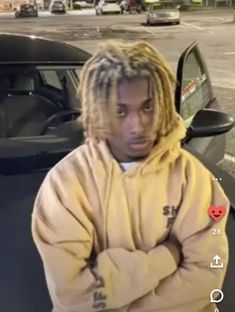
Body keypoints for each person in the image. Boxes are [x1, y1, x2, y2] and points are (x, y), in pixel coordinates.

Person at [32, 40, 229, 312]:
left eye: (148, 108)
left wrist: (115, 292)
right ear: (99, 111)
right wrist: (168, 256)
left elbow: (209, 272)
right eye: (120, 111)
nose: (137, 126)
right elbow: (74, 294)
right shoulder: (64, 186)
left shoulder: (192, 178)